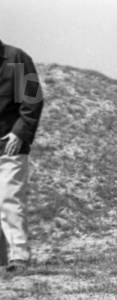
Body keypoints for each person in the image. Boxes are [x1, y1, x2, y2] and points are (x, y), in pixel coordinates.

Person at [0, 38, 44, 273]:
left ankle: (19, 256)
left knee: (8, 200)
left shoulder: (16, 59)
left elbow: (33, 98)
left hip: (9, 147)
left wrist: (19, 134)